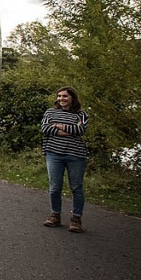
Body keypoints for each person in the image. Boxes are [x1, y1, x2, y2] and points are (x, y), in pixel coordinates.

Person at [40, 86, 89, 233]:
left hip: (76, 155)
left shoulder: (81, 114)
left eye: (65, 96)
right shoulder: (50, 112)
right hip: (53, 154)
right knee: (54, 187)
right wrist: (69, 130)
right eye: (59, 96)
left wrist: (58, 125)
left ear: (72, 98)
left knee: (76, 187)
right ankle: (55, 215)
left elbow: (80, 130)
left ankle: (76, 219)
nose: (61, 99)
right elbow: (44, 128)